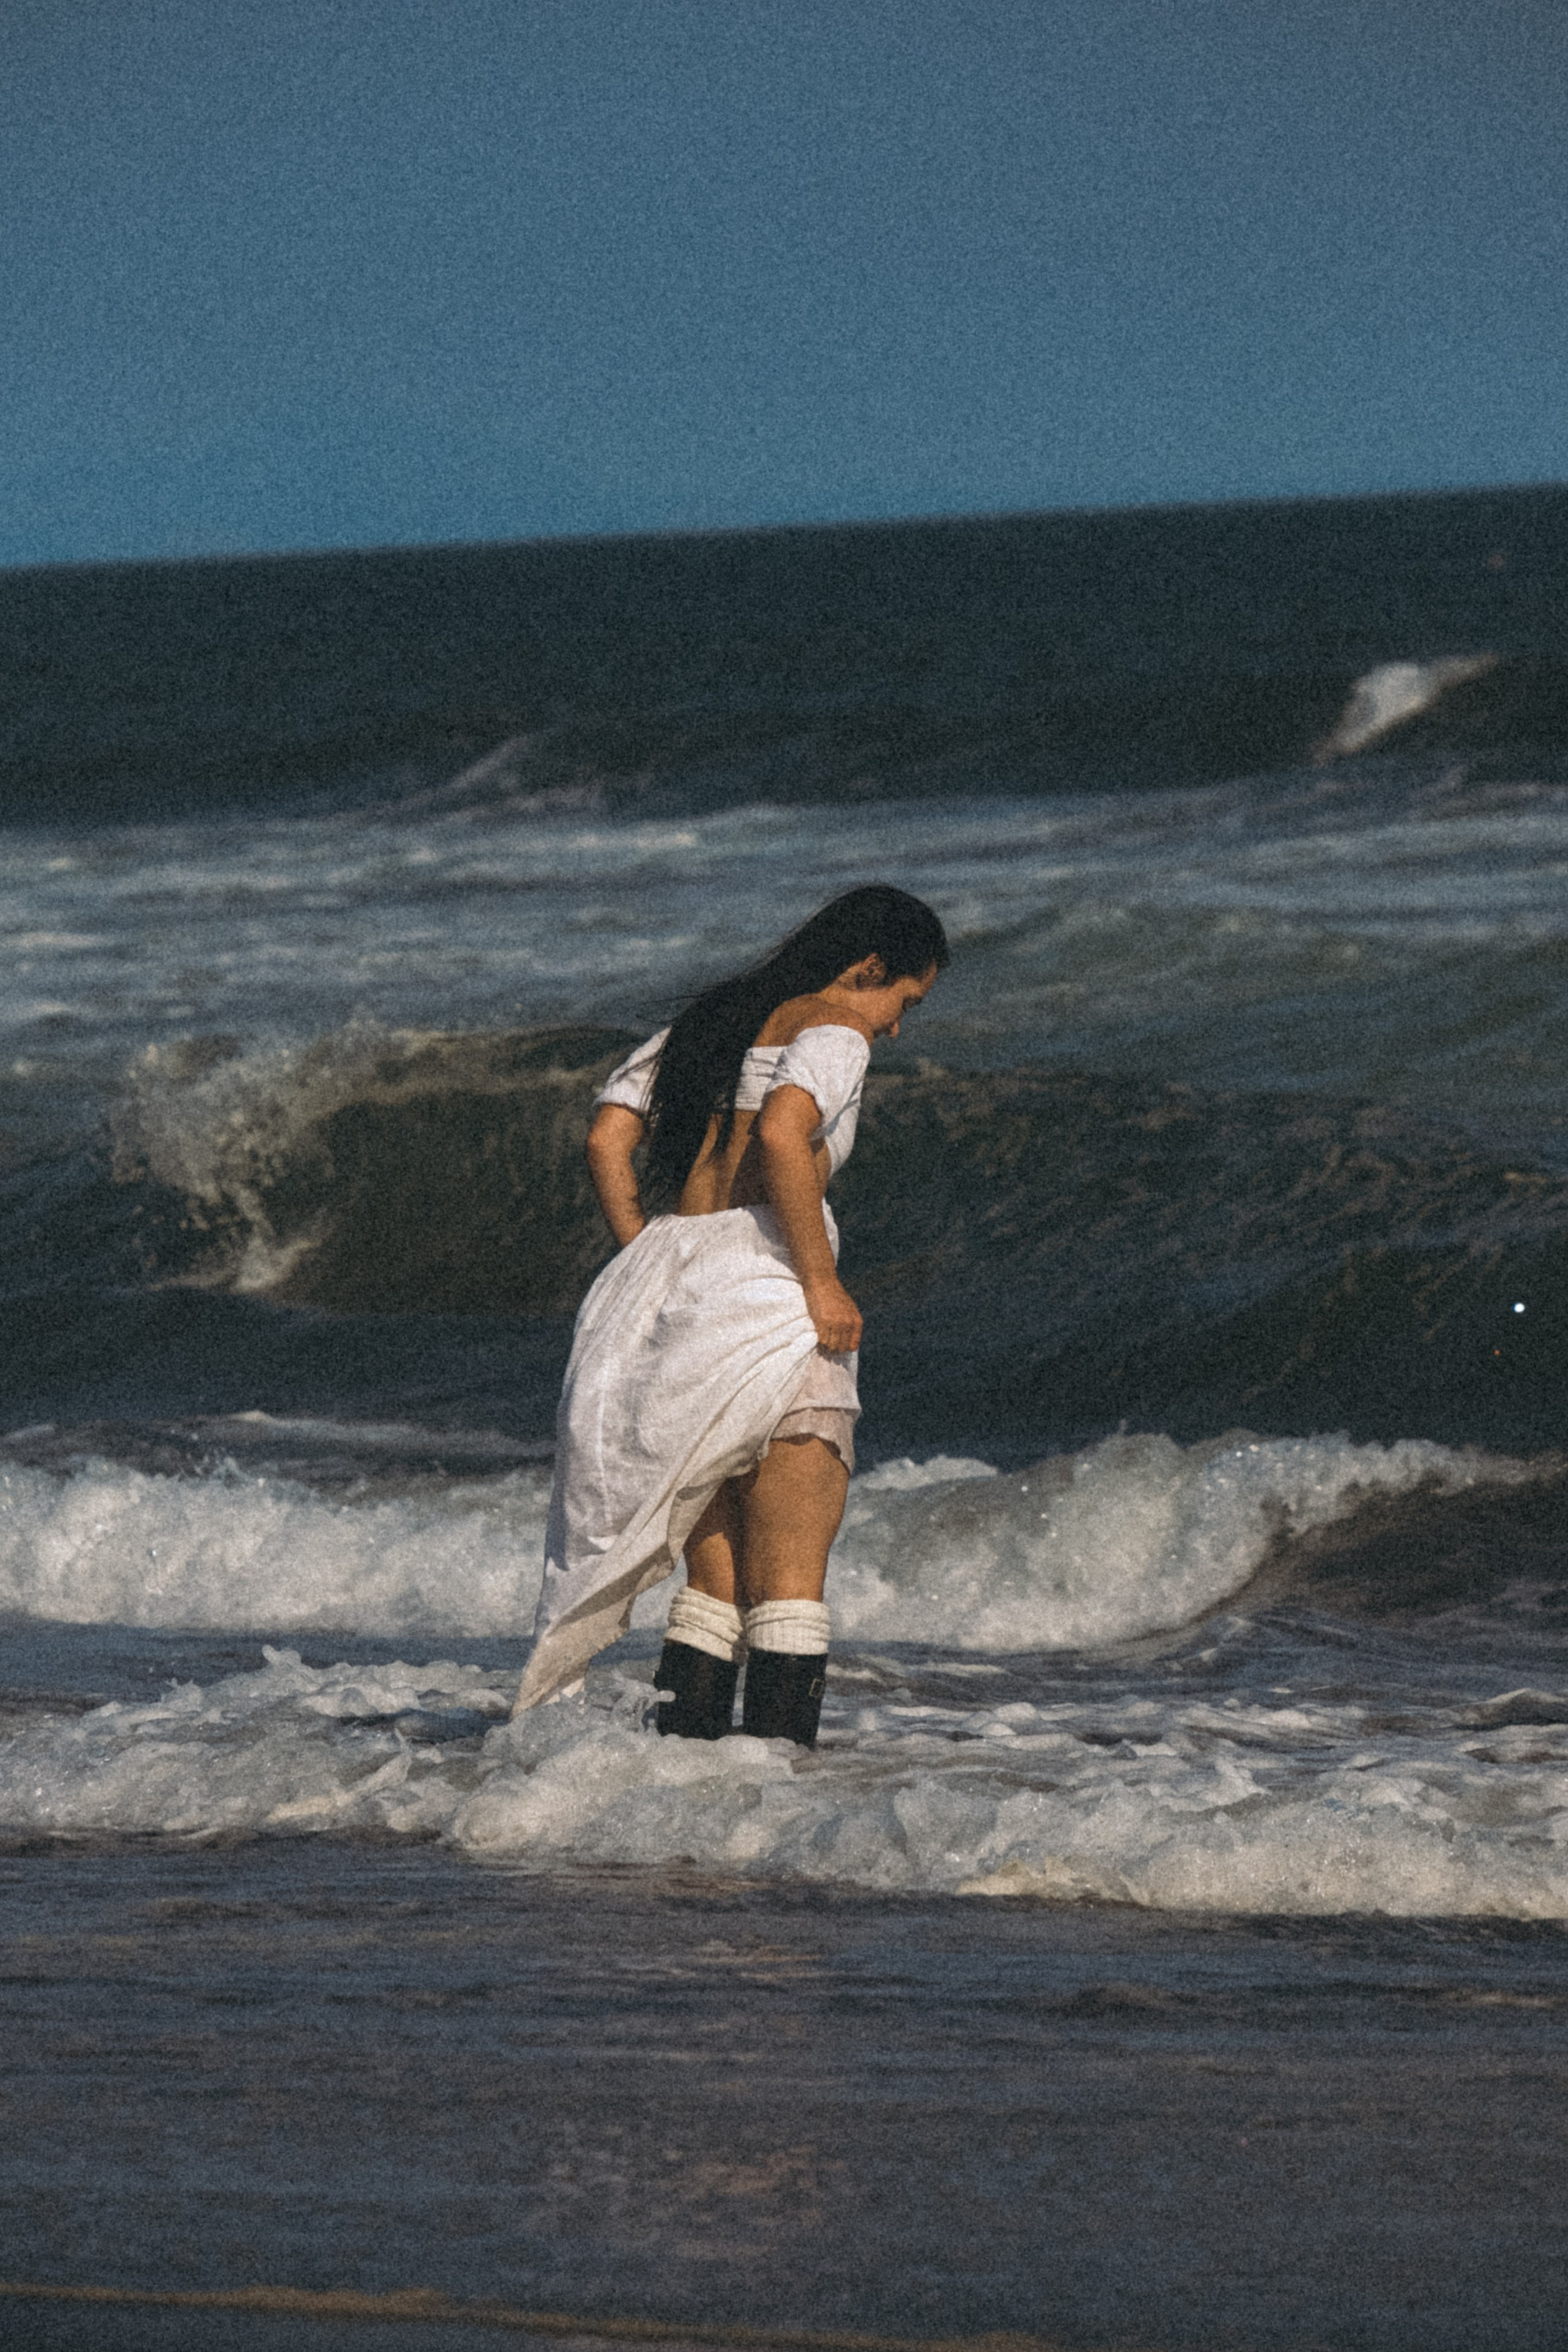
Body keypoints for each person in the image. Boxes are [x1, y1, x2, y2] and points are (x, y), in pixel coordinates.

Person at [511, 884, 948, 1745]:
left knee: (712, 1587)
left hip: (666, 1293)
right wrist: (820, 1282)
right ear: (869, 969)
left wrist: (650, 1249)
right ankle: (775, 1802)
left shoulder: (709, 1027)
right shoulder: (837, 1029)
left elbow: (607, 1137)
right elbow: (785, 1134)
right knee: (789, 1584)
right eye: (905, 1001)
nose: (897, 1027)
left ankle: (689, 1792)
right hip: (766, 1292)